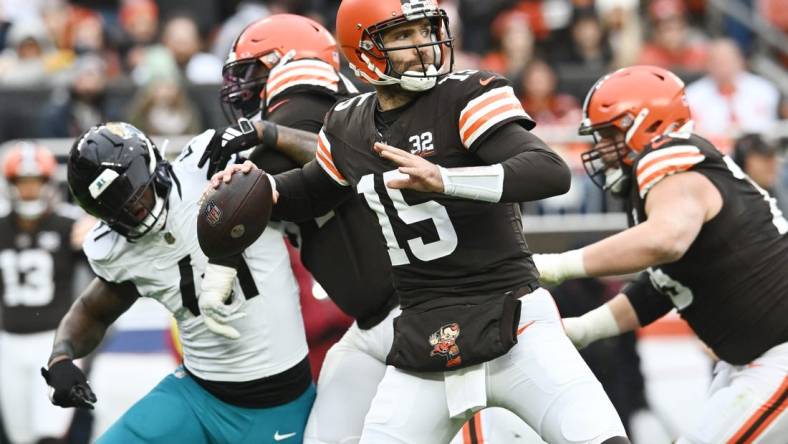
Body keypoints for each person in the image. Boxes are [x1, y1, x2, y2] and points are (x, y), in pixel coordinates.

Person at [208, 1, 629, 443]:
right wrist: (260, 190)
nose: (423, 47)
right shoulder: (348, 125)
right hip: (424, 340)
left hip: (511, 319)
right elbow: (311, 188)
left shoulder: (465, 94)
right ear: (363, 49)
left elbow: (548, 170)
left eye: (426, 31)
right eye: (403, 36)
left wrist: (447, 180)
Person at [532, 65, 788, 444]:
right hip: (751, 358)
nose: (599, 148)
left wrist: (556, 266)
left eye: (607, 134)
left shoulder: (668, 155)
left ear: (645, 125)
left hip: (776, 355)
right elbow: (661, 286)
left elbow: (665, 240)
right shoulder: (667, 179)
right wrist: (581, 329)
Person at [41, 121, 317, 443]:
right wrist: (61, 356)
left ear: (152, 164)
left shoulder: (211, 164)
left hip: (277, 401)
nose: (137, 212)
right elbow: (92, 310)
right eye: (122, 211)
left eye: (137, 196)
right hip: (195, 393)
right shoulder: (118, 250)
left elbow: (334, 161)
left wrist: (268, 132)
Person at [196, 14, 400, 443]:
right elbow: (250, 206)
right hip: (370, 326)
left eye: (252, 73)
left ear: (283, 62)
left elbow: (341, 159)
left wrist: (263, 132)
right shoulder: (282, 137)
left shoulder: (310, 102)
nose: (244, 90)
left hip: (418, 308)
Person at [0, 141, 89, 444]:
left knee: (50, 435)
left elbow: (106, 271)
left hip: (53, 342)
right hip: (7, 343)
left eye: (34, 182)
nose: (29, 190)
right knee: (19, 437)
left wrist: (98, 235)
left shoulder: (69, 224)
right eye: (22, 183)